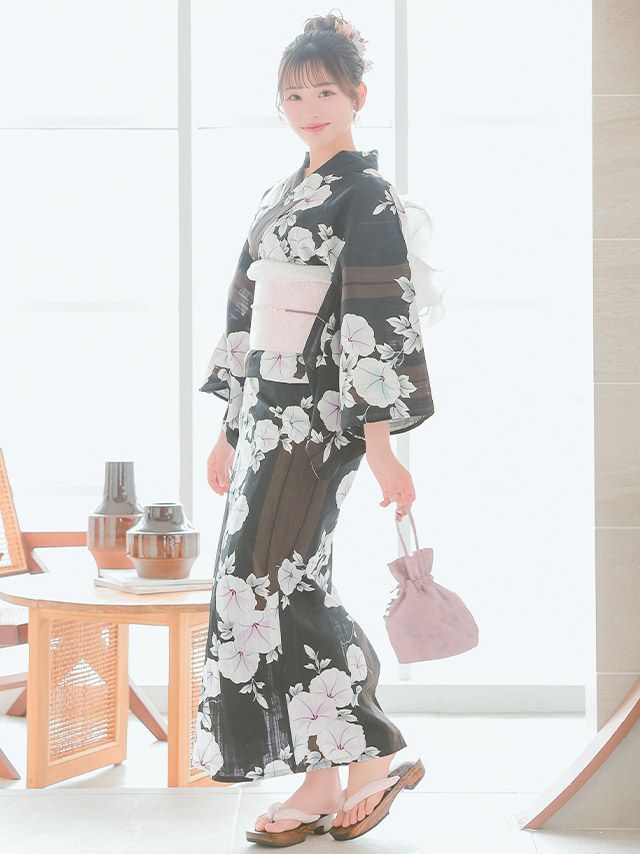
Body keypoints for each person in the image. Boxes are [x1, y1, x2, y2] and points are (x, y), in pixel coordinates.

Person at [191, 11, 436, 846]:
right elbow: (245, 312)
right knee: (265, 584)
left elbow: (376, 316)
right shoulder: (280, 194)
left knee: (272, 581)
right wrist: (229, 426)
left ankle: (372, 753)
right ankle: (326, 775)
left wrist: (382, 446)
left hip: (322, 420)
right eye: (293, 96)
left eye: (324, 92)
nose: (308, 109)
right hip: (265, 416)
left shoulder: (366, 195)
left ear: (358, 95)